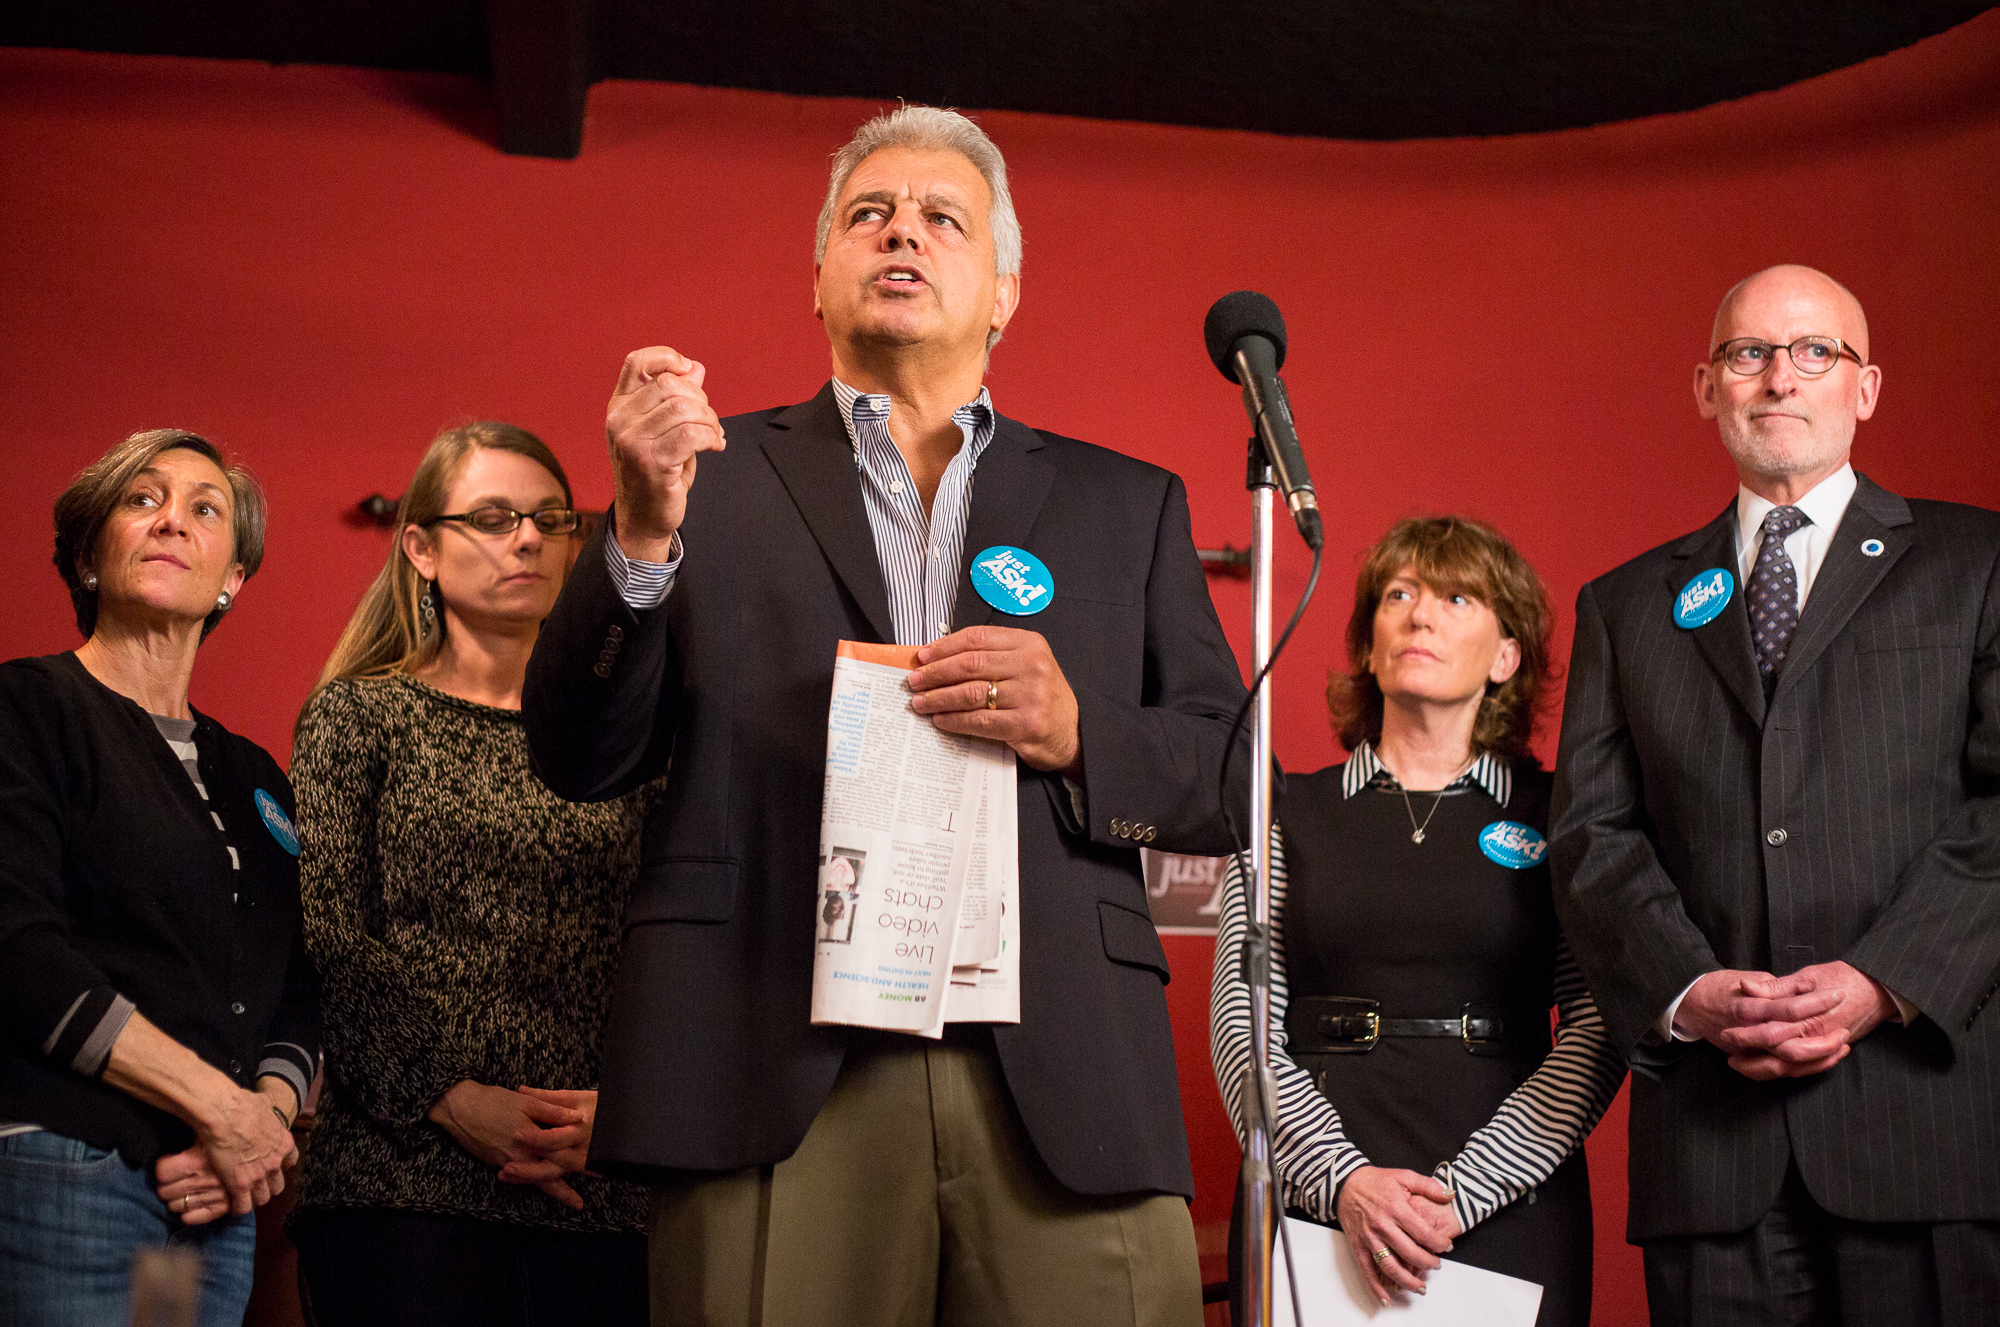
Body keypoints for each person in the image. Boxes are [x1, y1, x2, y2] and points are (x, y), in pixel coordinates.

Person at [522, 106, 1248, 1326]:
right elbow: (578, 755)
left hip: (1058, 1063)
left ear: (1004, 292)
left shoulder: (1130, 503)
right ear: (817, 278)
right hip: (770, 1052)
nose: (900, 232)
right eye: (869, 215)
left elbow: (1229, 779)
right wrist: (639, 534)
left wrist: (1078, 730)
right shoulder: (704, 475)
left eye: (940, 219)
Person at [1550, 264, 2000, 1325]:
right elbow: (1588, 836)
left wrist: (1879, 979)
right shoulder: (1623, 605)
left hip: (1923, 1131)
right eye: (1747, 353)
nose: (1777, 378)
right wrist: (1688, 993)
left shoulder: (1977, 561)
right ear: (1705, 387)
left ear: (1865, 387)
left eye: (1812, 352)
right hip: (1712, 1149)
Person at [1210, 516, 1626, 1324]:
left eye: (1456, 597)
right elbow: (1240, 1017)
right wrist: (1342, 1181)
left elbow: (1595, 1024)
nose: (1419, 615)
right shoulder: (1281, 808)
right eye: (1397, 594)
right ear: (1369, 646)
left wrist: (1464, 1193)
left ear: (1508, 656)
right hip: (1314, 1192)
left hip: (1511, 1197)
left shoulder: (1566, 818)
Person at [286, 422, 652, 1326]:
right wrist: (454, 1100)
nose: (527, 538)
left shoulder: (635, 738)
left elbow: (677, 948)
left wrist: (632, 1115)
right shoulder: (359, 716)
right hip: (400, 1186)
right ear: (420, 546)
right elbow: (333, 941)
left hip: (599, 1187)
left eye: (549, 518)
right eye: (492, 517)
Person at [0, 429, 318, 1327]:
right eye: (141, 500)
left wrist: (260, 1126)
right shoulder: (26, 709)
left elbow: (297, 980)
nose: (172, 519)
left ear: (232, 580)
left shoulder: (255, 775)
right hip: (67, 1169)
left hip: (216, 1197)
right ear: (90, 555)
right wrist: (220, 1106)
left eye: (204, 509)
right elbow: (16, 948)